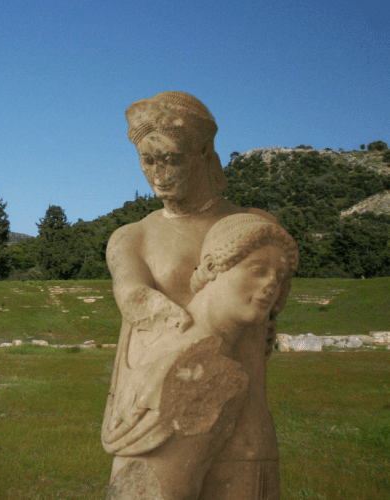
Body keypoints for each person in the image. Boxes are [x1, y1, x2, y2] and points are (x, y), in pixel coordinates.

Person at [101, 91, 291, 499]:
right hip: (160, 420)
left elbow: (271, 314)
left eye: (171, 158)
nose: (158, 173)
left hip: (244, 426)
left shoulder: (258, 228)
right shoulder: (132, 236)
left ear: (204, 153)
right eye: (148, 161)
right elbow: (132, 296)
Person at [104, 214, 298, 499]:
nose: (272, 285)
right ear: (211, 267)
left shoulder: (189, 349)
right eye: (258, 270)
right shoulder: (200, 366)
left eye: (279, 277)